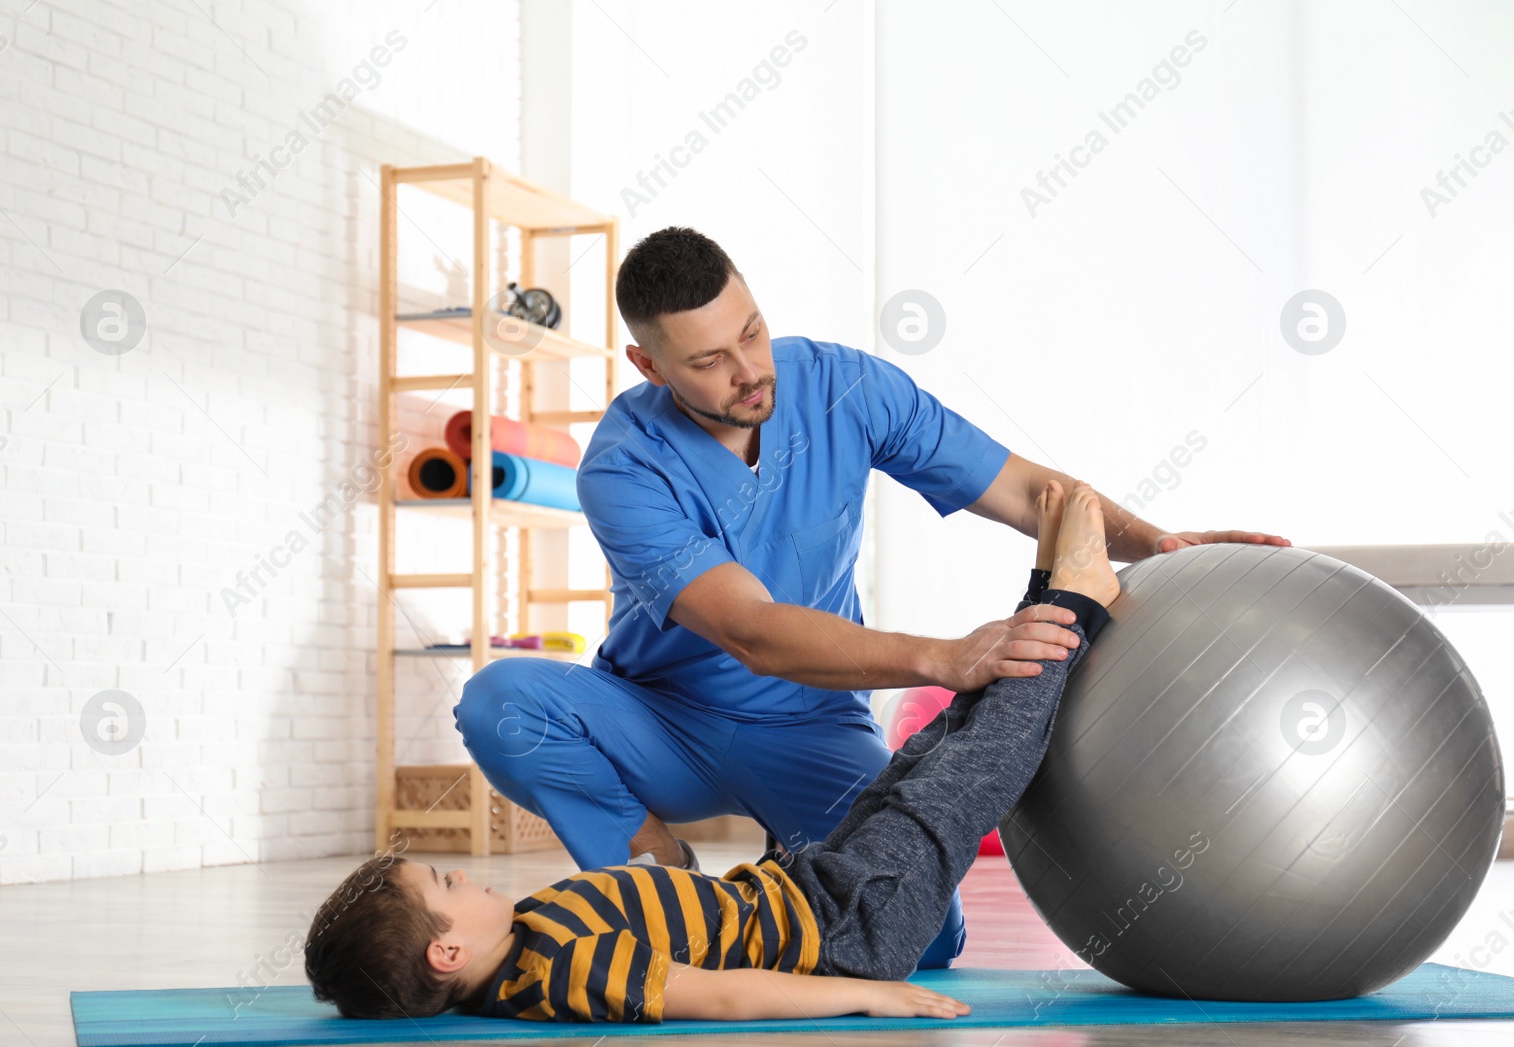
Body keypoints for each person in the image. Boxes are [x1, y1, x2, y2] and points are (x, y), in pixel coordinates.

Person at [453, 226, 1289, 970]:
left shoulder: (841, 387)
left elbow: (1035, 493)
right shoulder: (622, 464)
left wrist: (1161, 544)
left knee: (922, 939)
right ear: (649, 365)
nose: (748, 371)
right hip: (662, 722)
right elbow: (751, 630)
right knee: (500, 699)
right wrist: (944, 656)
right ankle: (654, 872)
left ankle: (781, 884)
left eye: (750, 332)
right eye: (708, 360)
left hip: (811, 722)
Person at [305, 480, 1121, 1022]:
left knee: (924, 762)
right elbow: (722, 995)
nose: (470, 876)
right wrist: (868, 999)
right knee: (962, 778)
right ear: (447, 952)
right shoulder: (556, 970)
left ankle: (1043, 594)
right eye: (448, 883)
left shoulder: (524, 936)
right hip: (850, 929)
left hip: (811, 887)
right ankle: (1079, 603)